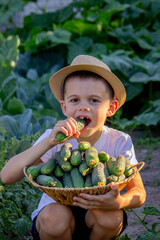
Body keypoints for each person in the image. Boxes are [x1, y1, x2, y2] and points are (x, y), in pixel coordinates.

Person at [0, 55, 146, 240]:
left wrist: (118, 202)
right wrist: (49, 142)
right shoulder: (53, 138)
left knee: (111, 218)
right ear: (64, 107)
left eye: (93, 100)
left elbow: (139, 193)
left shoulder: (118, 141)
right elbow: (6, 176)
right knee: (54, 219)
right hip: (55, 218)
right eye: (75, 100)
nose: (83, 107)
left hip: (97, 216)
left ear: (111, 107)